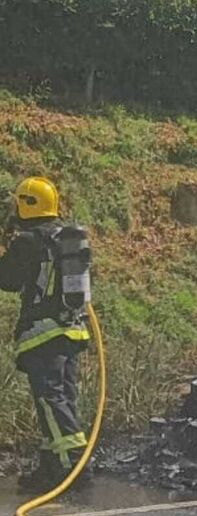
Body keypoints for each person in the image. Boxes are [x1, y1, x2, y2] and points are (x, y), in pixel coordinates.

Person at [0, 177, 92, 493]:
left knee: (50, 399)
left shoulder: (27, 241)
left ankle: (74, 468)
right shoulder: (65, 237)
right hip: (72, 330)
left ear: (26, 204)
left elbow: (7, 280)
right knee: (61, 398)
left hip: (42, 334)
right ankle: (52, 466)